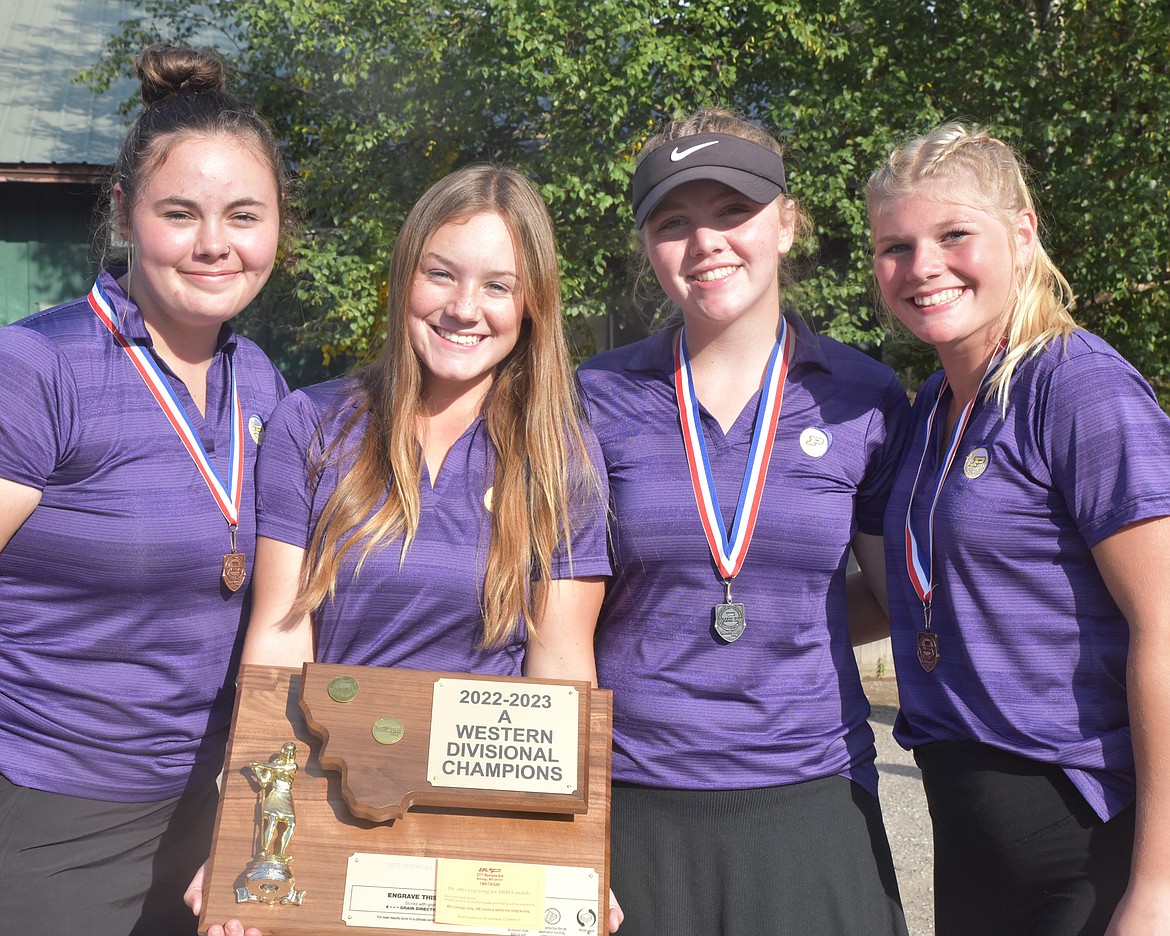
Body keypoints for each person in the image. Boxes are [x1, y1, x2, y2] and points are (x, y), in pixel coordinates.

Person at [188, 164, 618, 936]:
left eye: (497, 286)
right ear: (404, 276)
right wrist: (245, 835)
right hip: (325, 803)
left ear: (533, 305)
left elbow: (561, 672)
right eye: (441, 274)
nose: (463, 308)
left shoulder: (562, 458)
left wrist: (581, 855)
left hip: (478, 823)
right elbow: (281, 639)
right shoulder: (311, 426)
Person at [577, 108, 911, 936]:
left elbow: (891, 593)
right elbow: (558, 621)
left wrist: (797, 621)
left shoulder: (861, 395)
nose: (706, 243)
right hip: (636, 796)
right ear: (648, 246)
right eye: (674, 222)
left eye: (734, 211)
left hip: (811, 791)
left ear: (788, 223)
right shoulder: (591, 396)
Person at [0, 44, 289, 935]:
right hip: (56, 815)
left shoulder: (263, 382)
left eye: (244, 215)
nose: (215, 245)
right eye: (180, 213)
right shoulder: (37, 365)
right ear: (124, 214)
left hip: (214, 816)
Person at [868, 122, 1170, 935]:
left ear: (1022, 233)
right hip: (965, 820)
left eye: (953, 235)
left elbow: (1165, 627)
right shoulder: (929, 409)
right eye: (895, 246)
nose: (922, 266)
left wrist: (1157, 888)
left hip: (1084, 833)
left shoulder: (1080, 391)